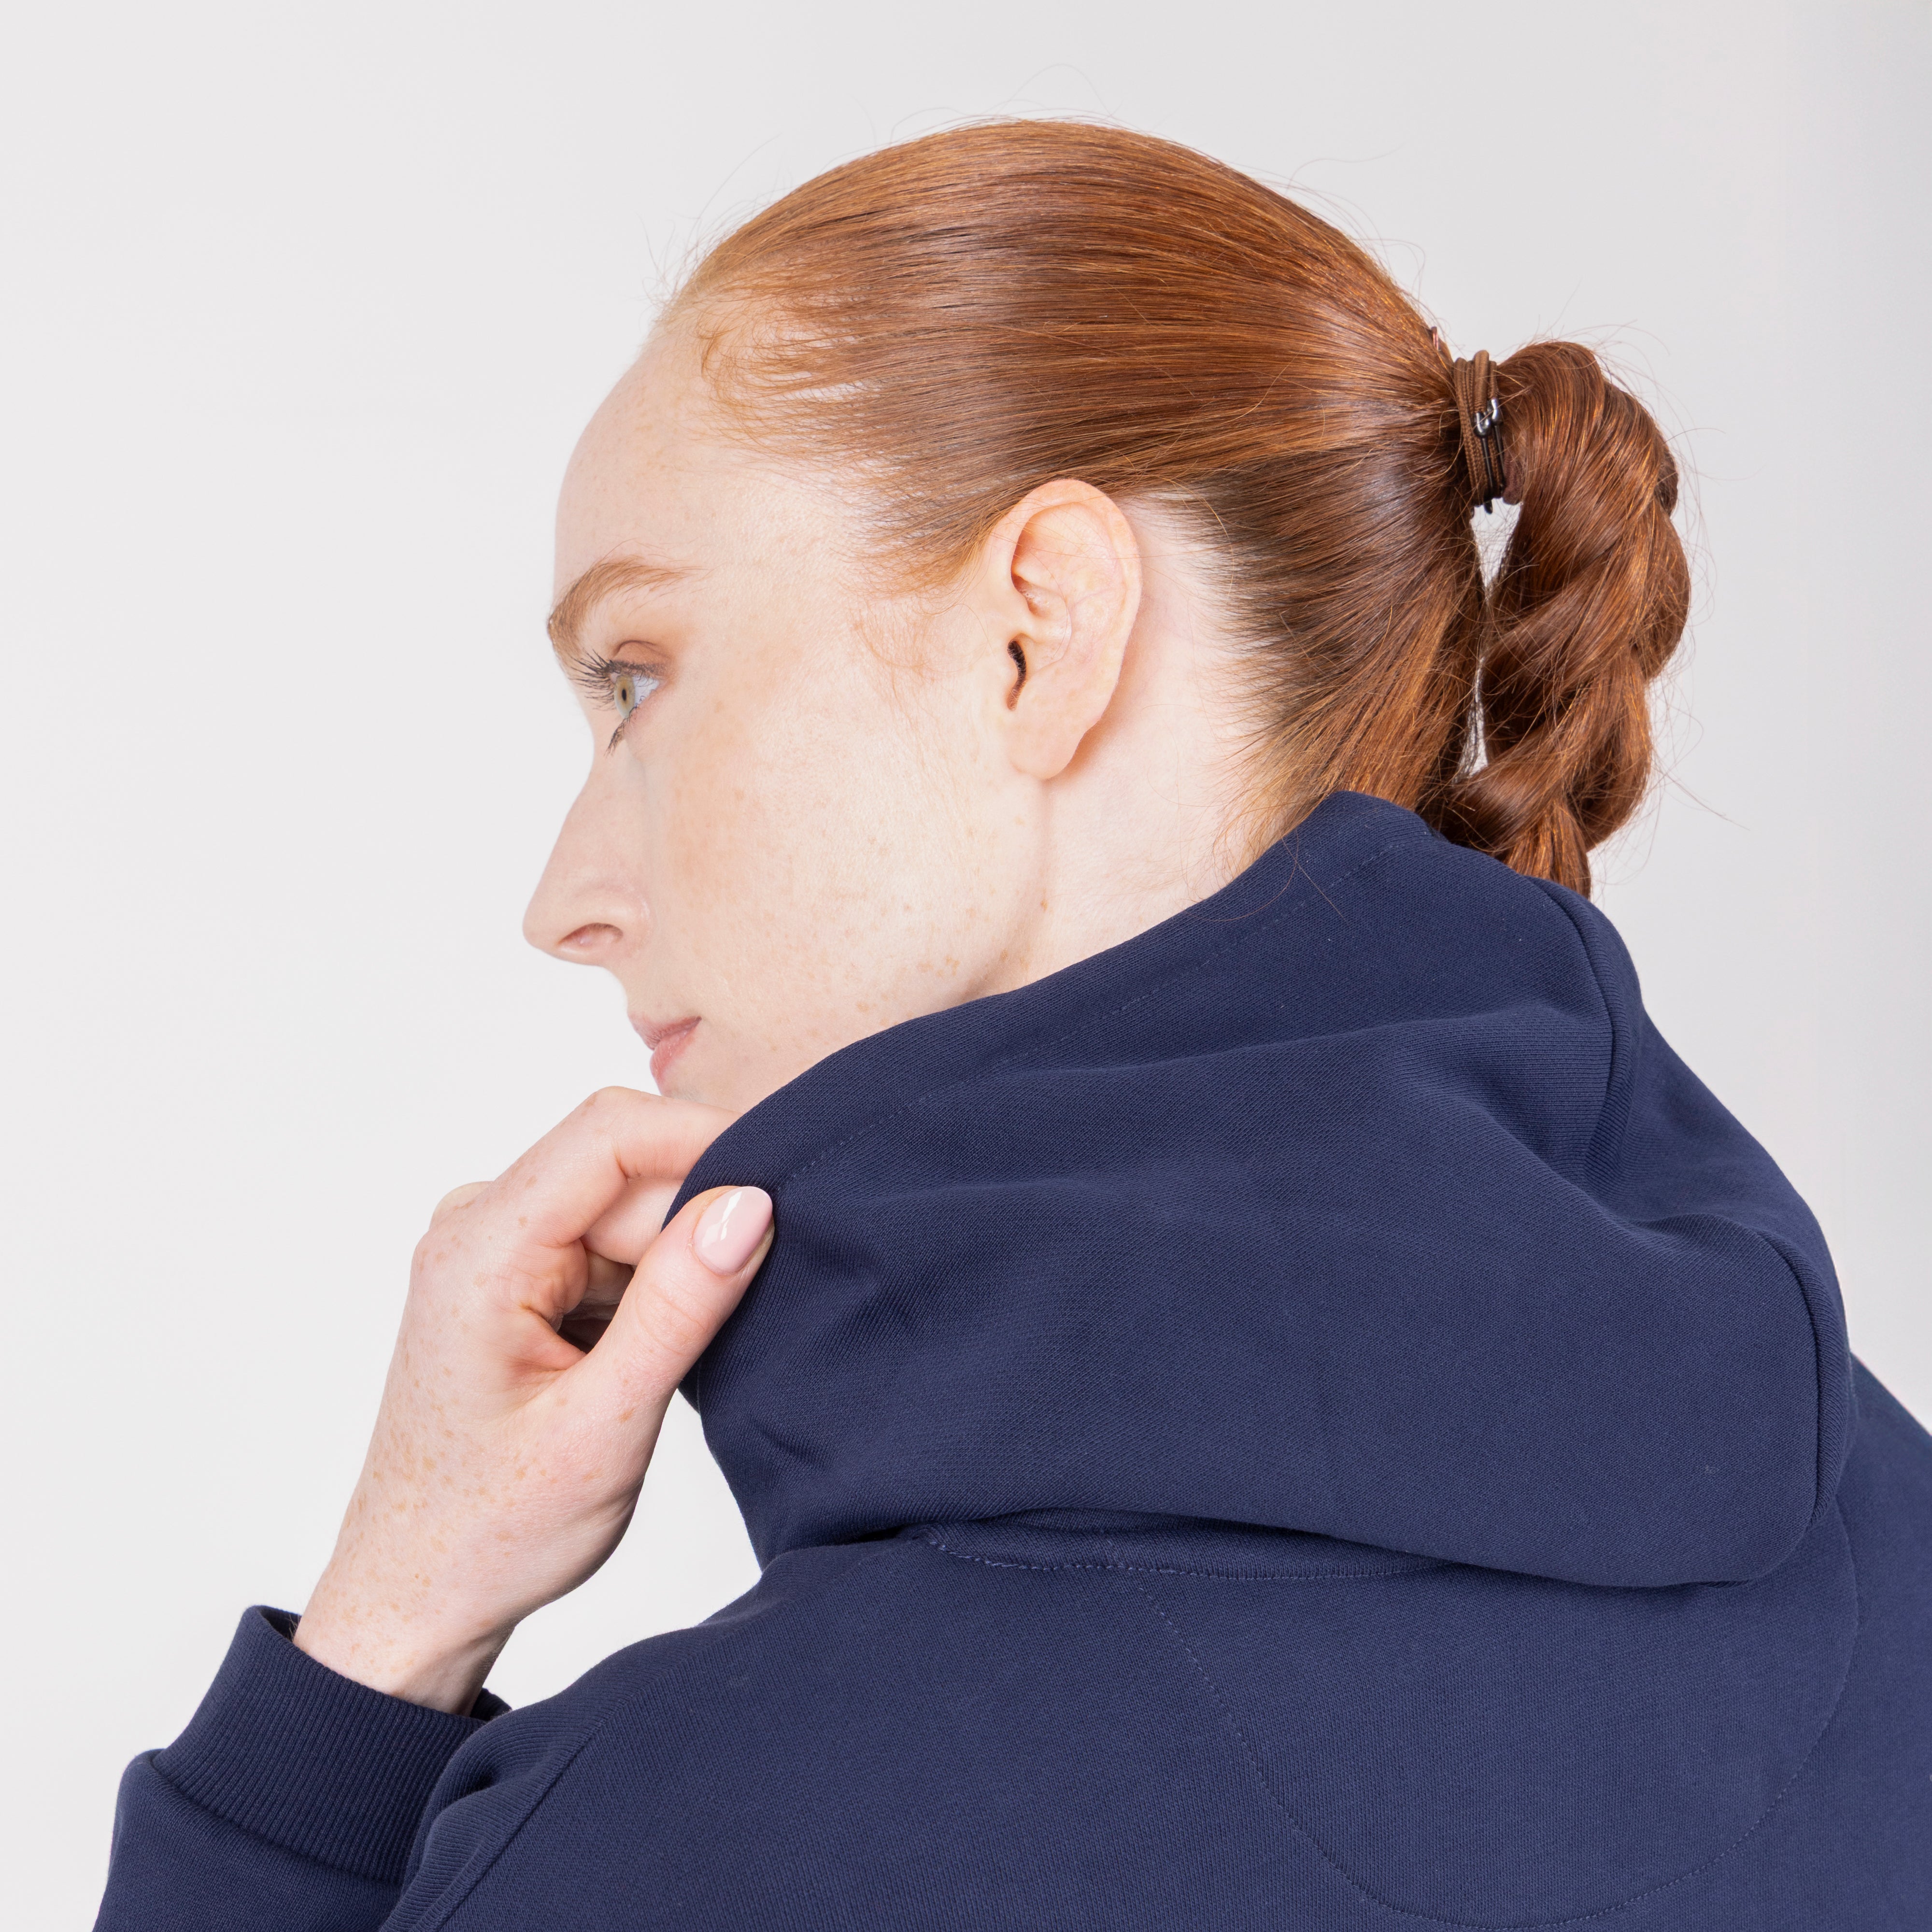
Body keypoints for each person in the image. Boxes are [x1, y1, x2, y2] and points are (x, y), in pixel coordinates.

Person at [95, 122, 1931, 1931]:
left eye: (638, 678)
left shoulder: (706, 1837)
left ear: (1038, 636)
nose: (563, 899)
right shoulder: (1896, 1525)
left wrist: (379, 1643)